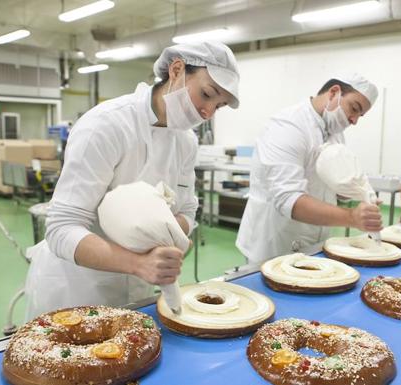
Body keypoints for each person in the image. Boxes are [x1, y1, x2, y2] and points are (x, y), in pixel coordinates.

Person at [24, 42, 240, 319]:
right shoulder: (106, 125)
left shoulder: (186, 141)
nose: (207, 112)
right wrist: (139, 263)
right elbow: (62, 228)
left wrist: (170, 241)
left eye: (218, 106)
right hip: (79, 287)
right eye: (207, 94)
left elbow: (187, 209)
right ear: (176, 70)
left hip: (138, 290)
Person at [236, 74, 382, 265]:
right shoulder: (288, 126)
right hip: (274, 243)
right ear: (334, 92)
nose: (354, 120)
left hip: (313, 243)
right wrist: (352, 217)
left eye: (360, 116)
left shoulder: (335, 134)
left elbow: (332, 182)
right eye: (354, 108)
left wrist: (353, 190)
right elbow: (288, 199)